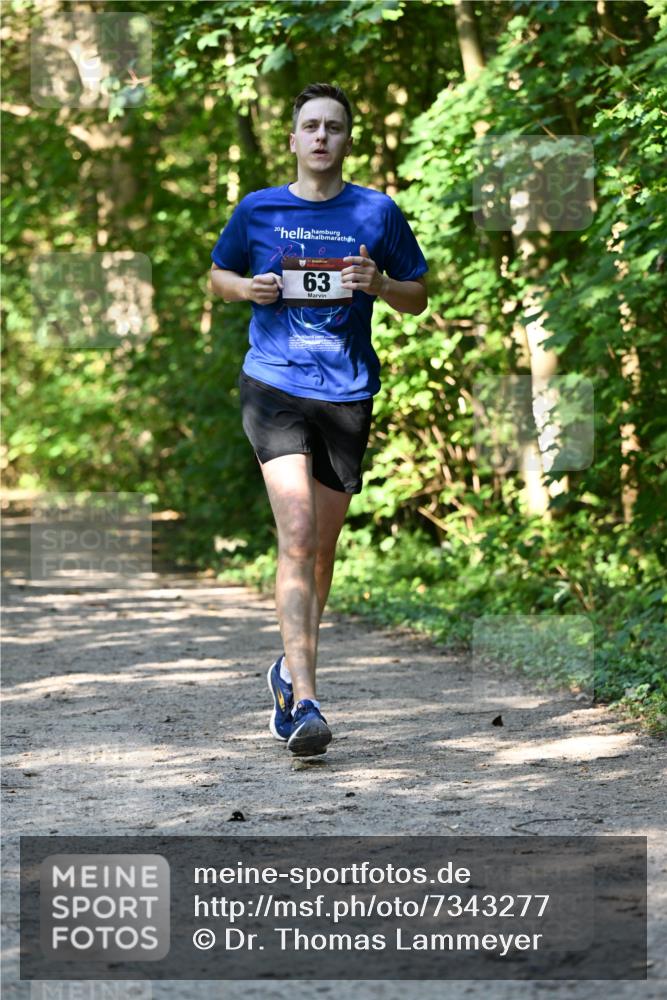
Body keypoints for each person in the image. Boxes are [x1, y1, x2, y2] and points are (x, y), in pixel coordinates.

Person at [210, 82, 428, 757]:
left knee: (322, 547)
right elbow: (218, 274)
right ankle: (305, 700)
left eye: (334, 126)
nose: (321, 137)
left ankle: (286, 668)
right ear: (293, 138)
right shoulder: (258, 209)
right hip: (272, 384)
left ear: (347, 139)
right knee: (298, 532)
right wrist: (248, 288)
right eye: (310, 126)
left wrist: (381, 286)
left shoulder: (376, 212)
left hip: (346, 392)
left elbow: (417, 296)